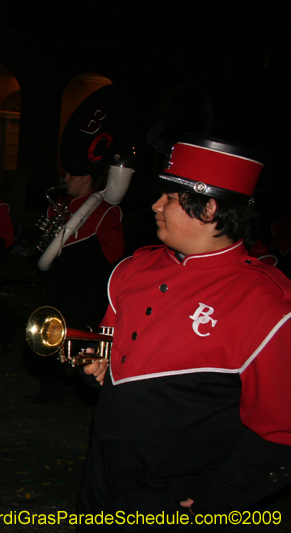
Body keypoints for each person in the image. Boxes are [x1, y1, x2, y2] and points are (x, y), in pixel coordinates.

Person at [79, 136, 291, 529]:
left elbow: (280, 430)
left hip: (177, 493)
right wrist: (96, 362)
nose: (156, 205)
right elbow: (110, 353)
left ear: (209, 208)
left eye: (170, 197)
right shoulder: (133, 269)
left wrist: (219, 497)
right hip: (102, 466)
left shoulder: (266, 302)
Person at [32, 168, 124, 404]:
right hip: (59, 284)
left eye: (71, 174)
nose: (64, 179)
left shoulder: (105, 211)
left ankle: (80, 385)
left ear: (87, 178)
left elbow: (114, 253)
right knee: (49, 331)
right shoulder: (61, 207)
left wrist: (78, 253)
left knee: (79, 340)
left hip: (85, 291)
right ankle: (50, 387)